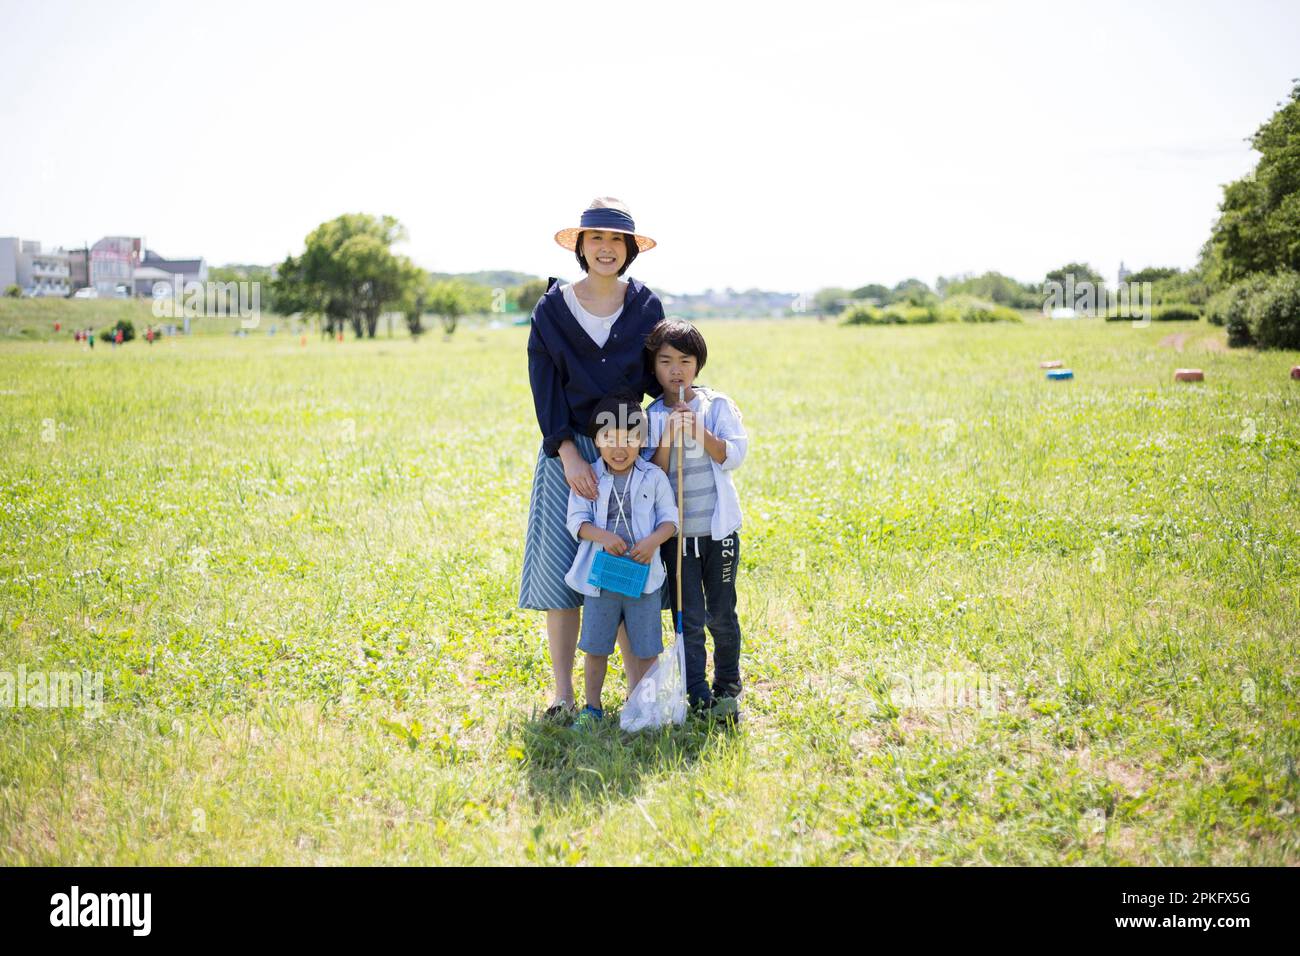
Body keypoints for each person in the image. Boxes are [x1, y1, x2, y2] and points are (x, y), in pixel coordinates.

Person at [519, 197, 667, 720]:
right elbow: (544, 387)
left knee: (625, 561)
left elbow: (658, 377)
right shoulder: (553, 309)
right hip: (570, 452)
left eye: (616, 240)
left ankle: (638, 696)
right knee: (563, 571)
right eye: (596, 239)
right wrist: (568, 454)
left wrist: (689, 403)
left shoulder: (647, 306)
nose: (606, 248)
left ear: (629, 250)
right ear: (581, 246)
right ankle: (563, 692)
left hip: (630, 451)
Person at [643, 319, 749, 721]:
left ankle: (726, 687)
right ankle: (697, 692)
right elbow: (652, 473)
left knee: (720, 614)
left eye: (684, 361)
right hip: (678, 537)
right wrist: (669, 435)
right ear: (653, 367)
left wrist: (699, 431)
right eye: (665, 361)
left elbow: (734, 455)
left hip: (717, 532)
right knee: (686, 618)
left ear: (697, 365)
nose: (675, 370)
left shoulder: (716, 405)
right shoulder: (651, 415)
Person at [564, 395, 678, 730]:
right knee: (596, 645)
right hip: (601, 578)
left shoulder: (653, 476)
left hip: (643, 577)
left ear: (641, 440)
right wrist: (603, 536)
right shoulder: (589, 477)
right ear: (596, 440)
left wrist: (652, 541)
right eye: (609, 439)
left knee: (646, 647)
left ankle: (645, 706)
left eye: (628, 439)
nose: (619, 448)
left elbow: (670, 520)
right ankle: (592, 708)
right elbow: (577, 521)